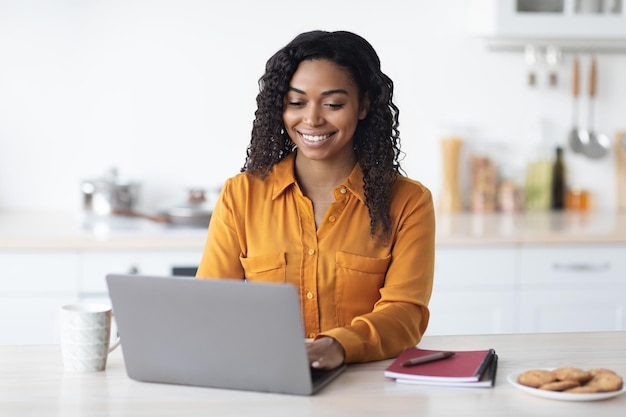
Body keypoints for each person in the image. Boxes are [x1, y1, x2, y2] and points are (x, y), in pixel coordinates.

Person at [196, 30, 435, 370]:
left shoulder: (409, 202)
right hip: (267, 378)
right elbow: (211, 305)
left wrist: (339, 345)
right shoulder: (241, 195)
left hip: (364, 385)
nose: (311, 119)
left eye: (333, 104)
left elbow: (406, 312)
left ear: (363, 105)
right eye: (296, 102)